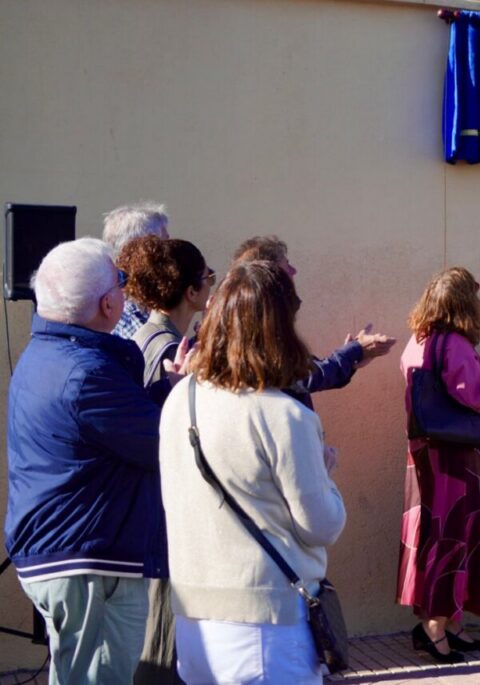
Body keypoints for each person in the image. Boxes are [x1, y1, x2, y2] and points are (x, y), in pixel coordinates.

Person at [159, 260, 347, 684]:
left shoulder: (180, 400)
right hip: (267, 626)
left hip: (193, 622)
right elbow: (320, 525)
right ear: (282, 328)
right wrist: (326, 474)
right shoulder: (284, 416)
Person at [4, 238, 166, 683]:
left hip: (71, 554)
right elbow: (161, 443)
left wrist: (164, 387)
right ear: (108, 302)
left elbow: (118, 429)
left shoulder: (48, 354)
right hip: (88, 562)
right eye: (121, 281)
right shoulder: (86, 372)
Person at [397, 266, 480, 663]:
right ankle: (434, 628)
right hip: (458, 460)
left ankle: (449, 622)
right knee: (454, 540)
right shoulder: (453, 345)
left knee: (438, 537)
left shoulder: (418, 342)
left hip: (426, 455)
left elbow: (450, 390)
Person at [115, 235, 214, 684]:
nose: (212, 287)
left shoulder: (160, 337)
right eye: (207, 279)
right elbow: (162, 434)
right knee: (161, 650)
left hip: (159, 519)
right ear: (191, 292)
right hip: (162, 524)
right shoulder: (161, 346)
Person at [232, 235, 395, 408]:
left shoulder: (250, 317)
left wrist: (352, 358)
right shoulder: (261, 321)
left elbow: (304, 370)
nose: (294, 271)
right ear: (270, 273)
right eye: (286, 264)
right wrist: (354, 352)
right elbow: (304, 377)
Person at [119, 235, 214, 386]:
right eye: (209, 277)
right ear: (192, 293)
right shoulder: (172, 351)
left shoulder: (147, 332)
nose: (211, 284)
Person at [101, 201, 170, 339]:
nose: (170, 252)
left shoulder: (146, 301)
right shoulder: (121, 312)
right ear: (141, 251)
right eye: (164, 244)